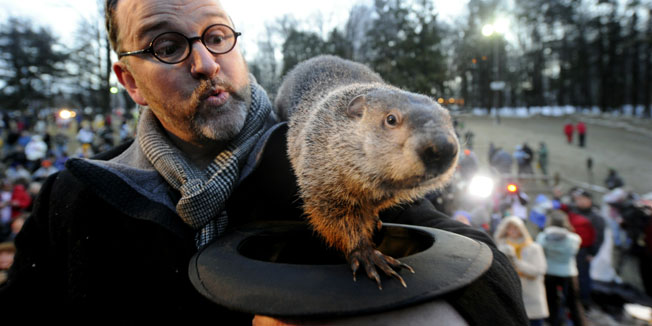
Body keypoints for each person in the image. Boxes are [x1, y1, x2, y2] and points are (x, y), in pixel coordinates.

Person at [0, 0, 527, 324]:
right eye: (165, 46)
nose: (205, 62)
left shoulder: (319, 157)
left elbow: (484, 269)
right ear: (130, 81)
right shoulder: (73, 197)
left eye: (216, 36)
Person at [495, 216, 549, 326]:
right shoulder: (500, 248)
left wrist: (515, 261)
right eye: (509, 228)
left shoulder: (534, 247)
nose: (513, 231)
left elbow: (538, 270)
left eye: (516, 227)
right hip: (510, 295)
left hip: (531, 294)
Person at [536, 210, 587, 326]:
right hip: (569, 273)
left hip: (549, 272)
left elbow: (540, 252)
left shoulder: (542, 237)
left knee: (551, 302)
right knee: (574, 303)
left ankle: (554, 323)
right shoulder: (574, 238)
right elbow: (575, 251)